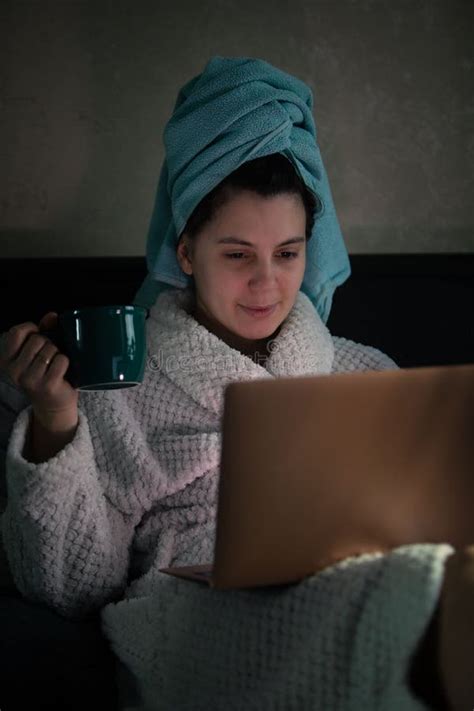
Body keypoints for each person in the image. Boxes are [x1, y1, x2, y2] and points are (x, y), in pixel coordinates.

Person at [0, 55, 471, 710]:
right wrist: (55, 422)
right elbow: (74, 584)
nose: (267, 283)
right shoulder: (118, 390)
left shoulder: (367, 374)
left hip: (355, 579)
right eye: (237, 254)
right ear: (187, 251)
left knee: (421, 580)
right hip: (197, 610)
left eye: (288, 253)